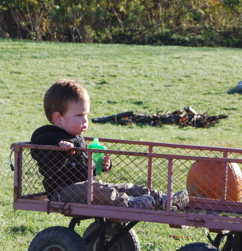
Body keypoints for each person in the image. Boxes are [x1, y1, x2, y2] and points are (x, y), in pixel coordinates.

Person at [30, 79, 188, 210]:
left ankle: (165, 200)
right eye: (79, 115)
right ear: (58, 118)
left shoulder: (78, 139)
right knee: (99, 191)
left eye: (86, 115)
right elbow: (48, 169)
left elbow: (87, 169)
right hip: (63, 192)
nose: (85, 121)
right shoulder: (47, 139)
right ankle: (131, 204)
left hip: (87, 187)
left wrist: (102, 165)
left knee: (123, 187)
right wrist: (61, 152)